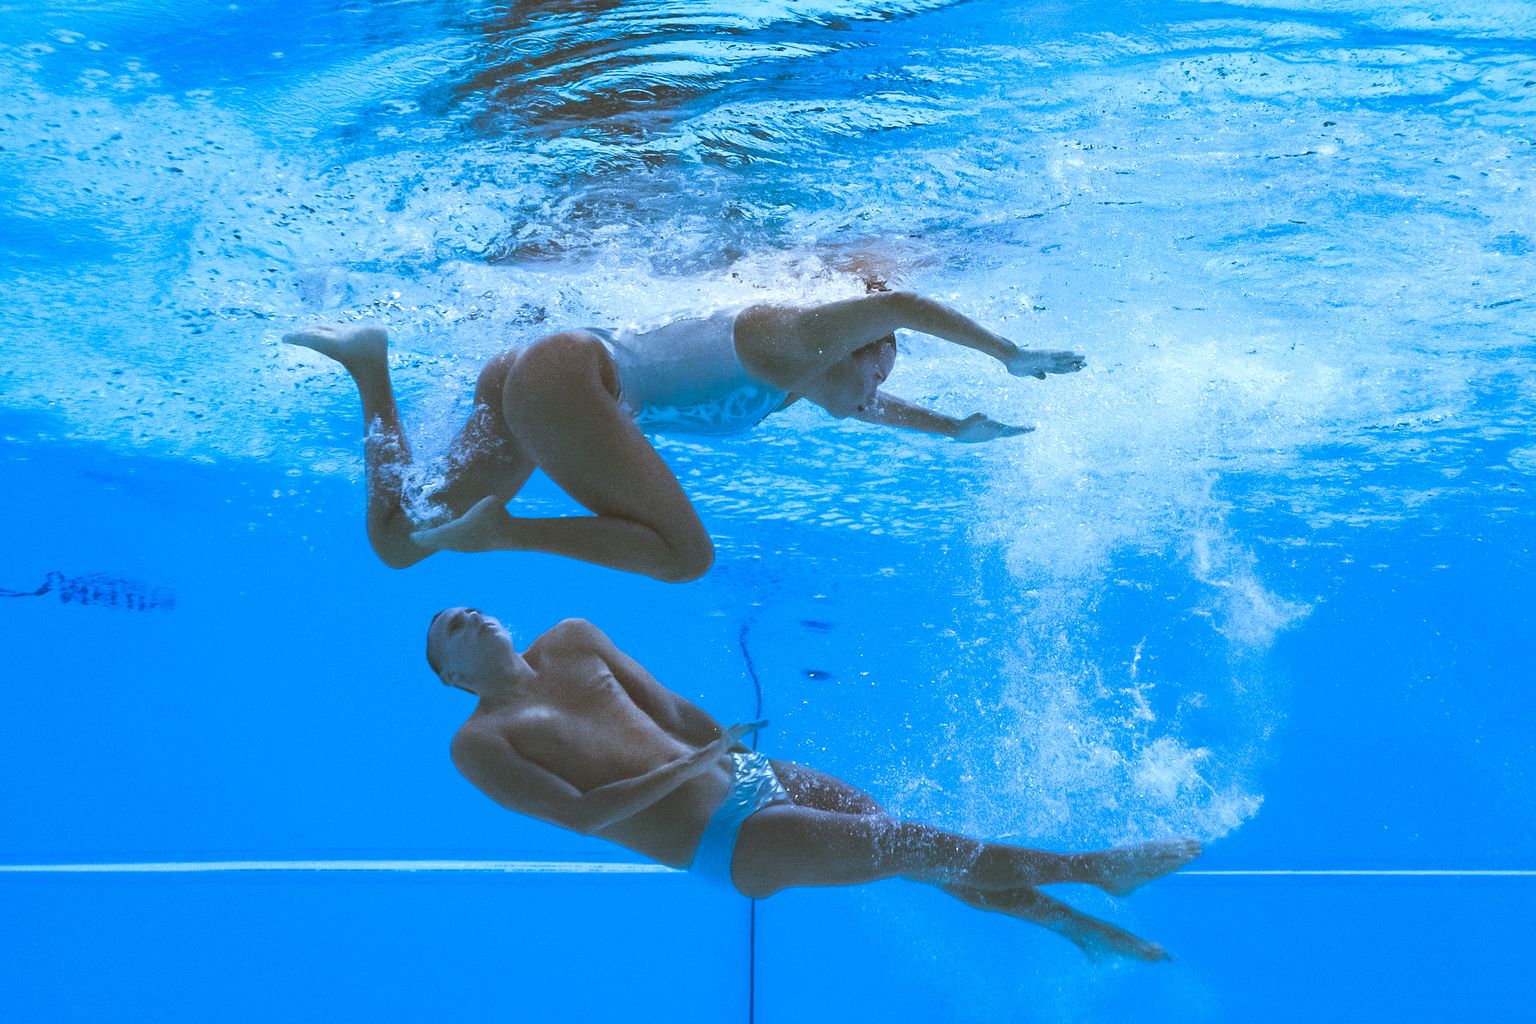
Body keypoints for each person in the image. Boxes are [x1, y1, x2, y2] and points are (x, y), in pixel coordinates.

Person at [425, 607, 1201, 962]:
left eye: (470, 609)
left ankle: (1076, 928)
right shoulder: (481, 743)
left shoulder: (572, 638)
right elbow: (583, 816)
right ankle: (1097, 870)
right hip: (728, 841)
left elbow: (668, 708)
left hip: (750, 776)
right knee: (907, 845)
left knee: (918, 854)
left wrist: (726, 747)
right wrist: (689, 767)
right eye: (452, 629)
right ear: (453, 677)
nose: (471, 617)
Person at [284, 290, 1085, 581]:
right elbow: (904, 304)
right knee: (686, 556)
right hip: (568, 378)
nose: (877, 393)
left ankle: (367, 365)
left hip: (542, 384)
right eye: (874, 372)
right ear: (840, 349)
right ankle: (506, 533)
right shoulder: (791, 339)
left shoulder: (806, 384)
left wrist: (952, 431)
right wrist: (1006, 353)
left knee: (398, 542)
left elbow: (862, 407)